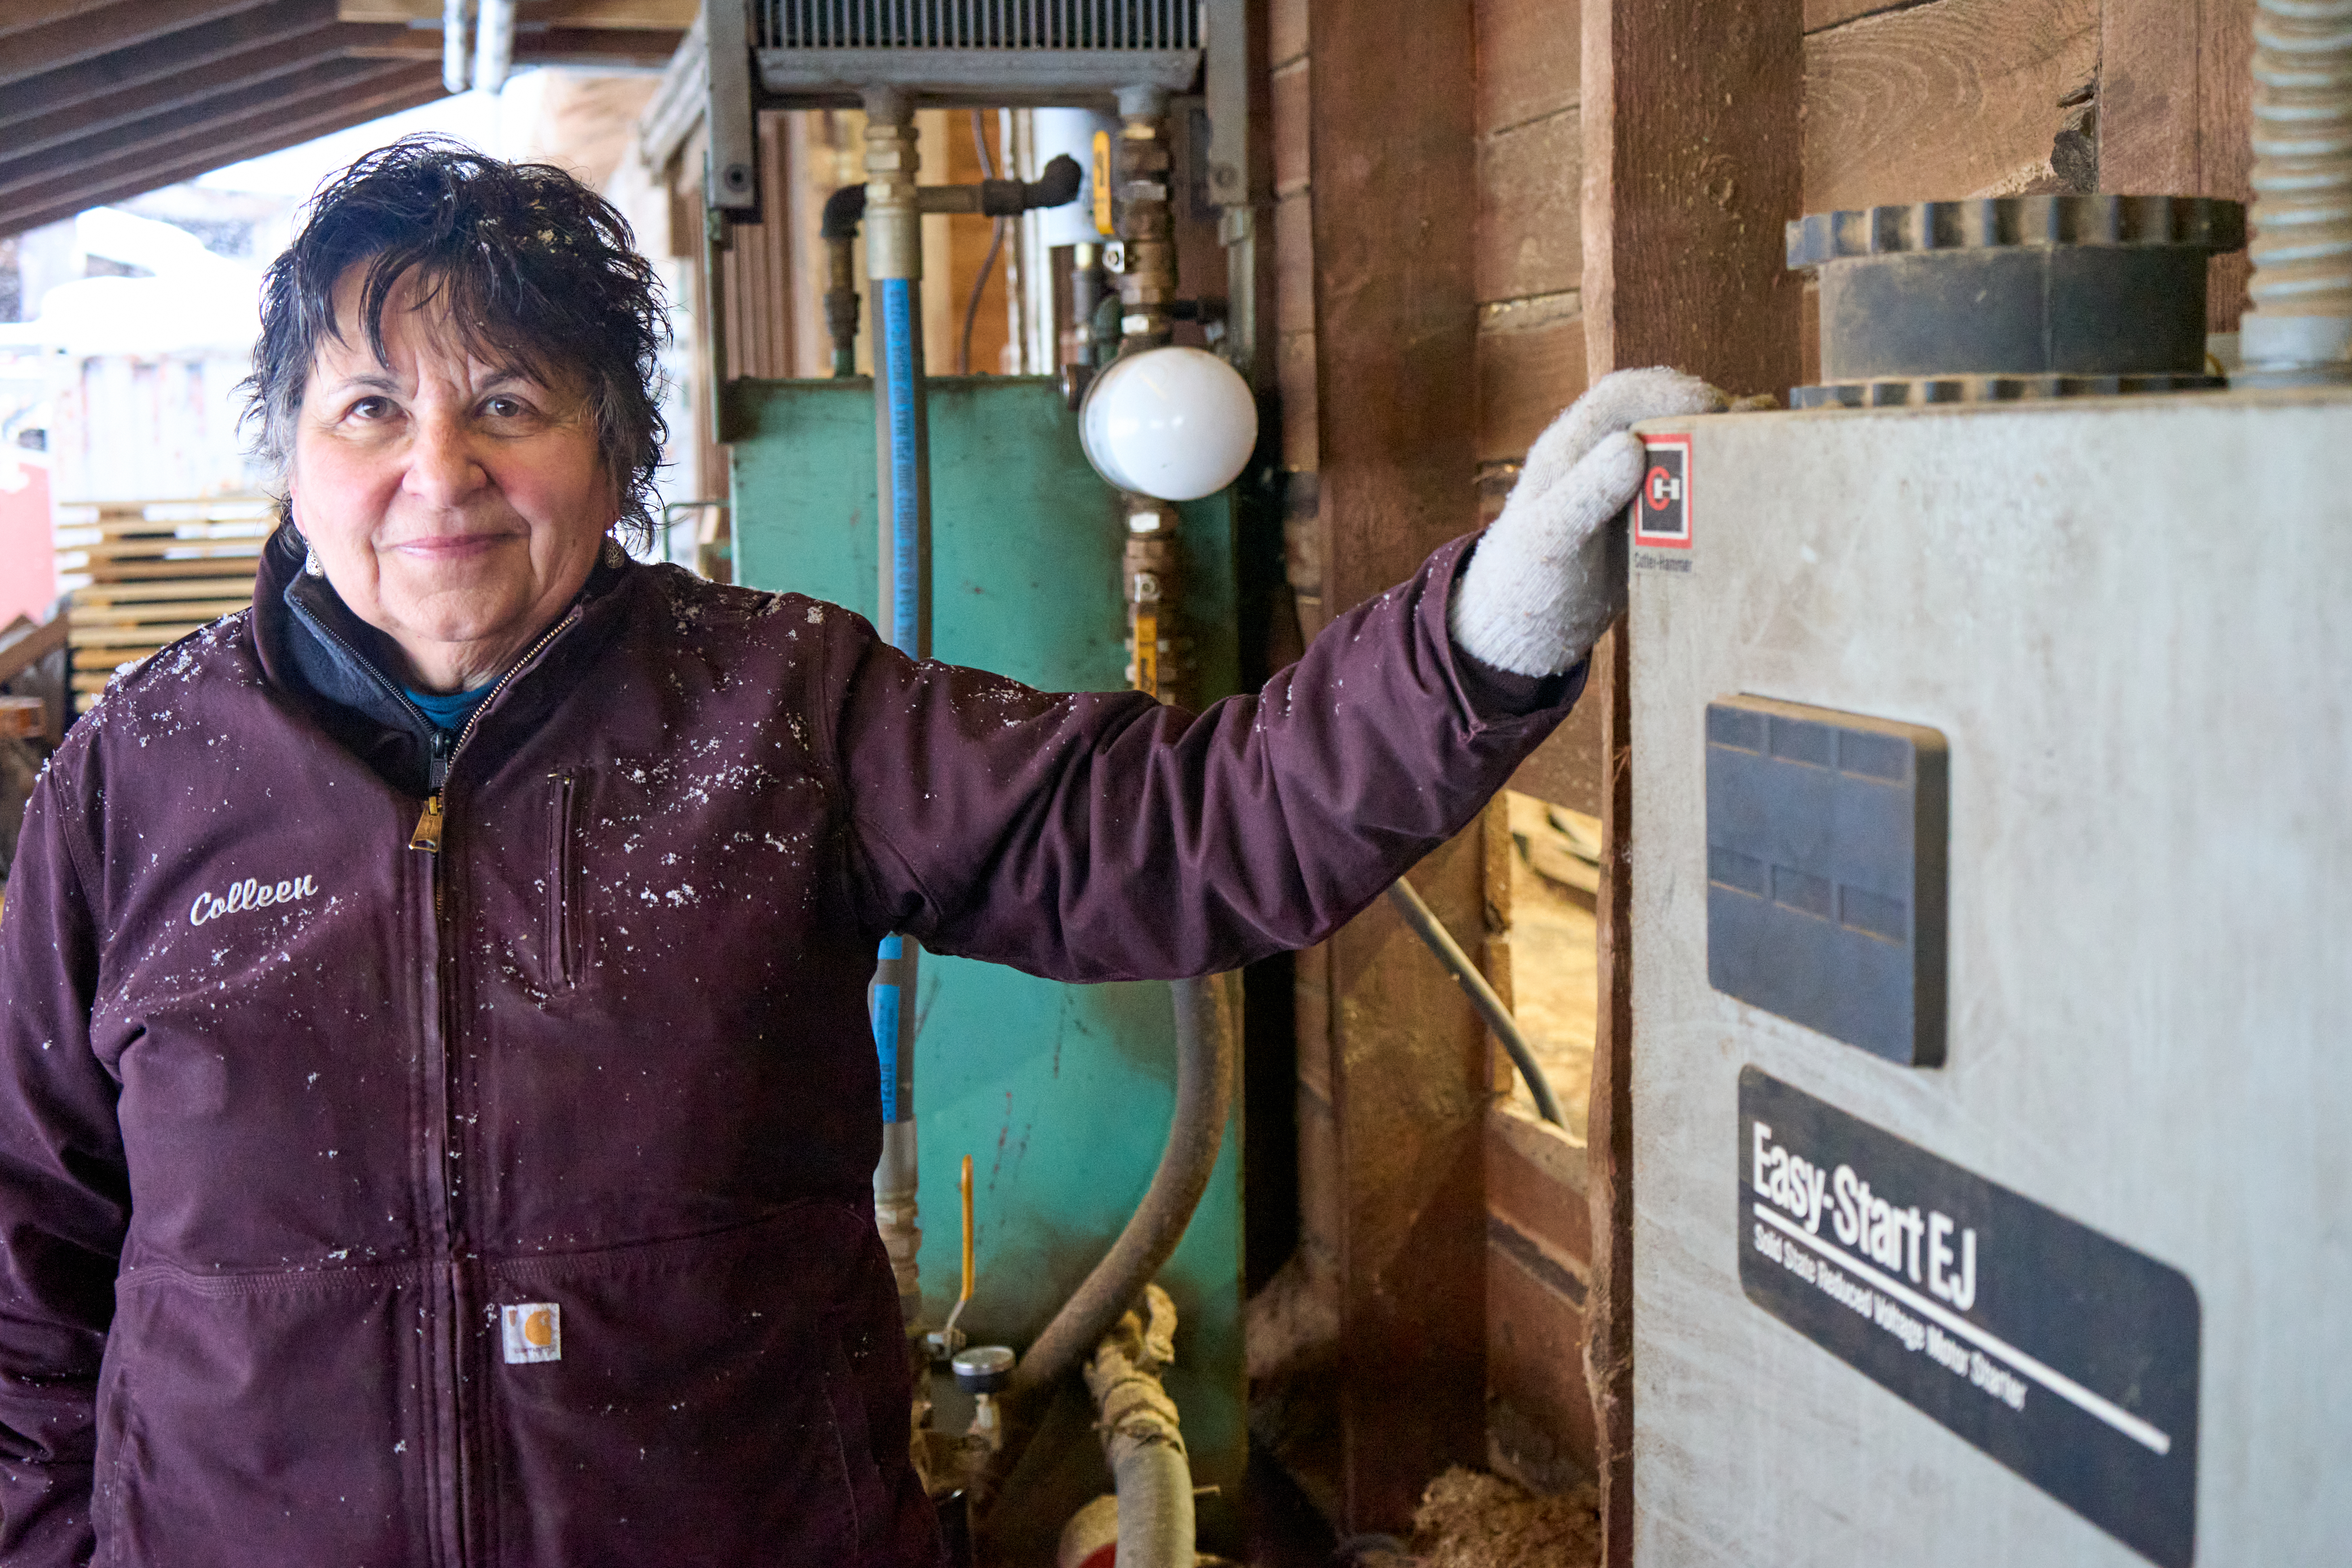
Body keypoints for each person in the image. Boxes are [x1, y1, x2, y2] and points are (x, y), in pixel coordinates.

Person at [0, 138, 1721, 1567]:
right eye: (368, 408)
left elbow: (1178, 832)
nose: (435, 472)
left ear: (614, 456)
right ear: (295, 458)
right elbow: (27, 1258)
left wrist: (1482, 637)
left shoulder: (771, 708)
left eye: (507, 401)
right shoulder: (135, 780)